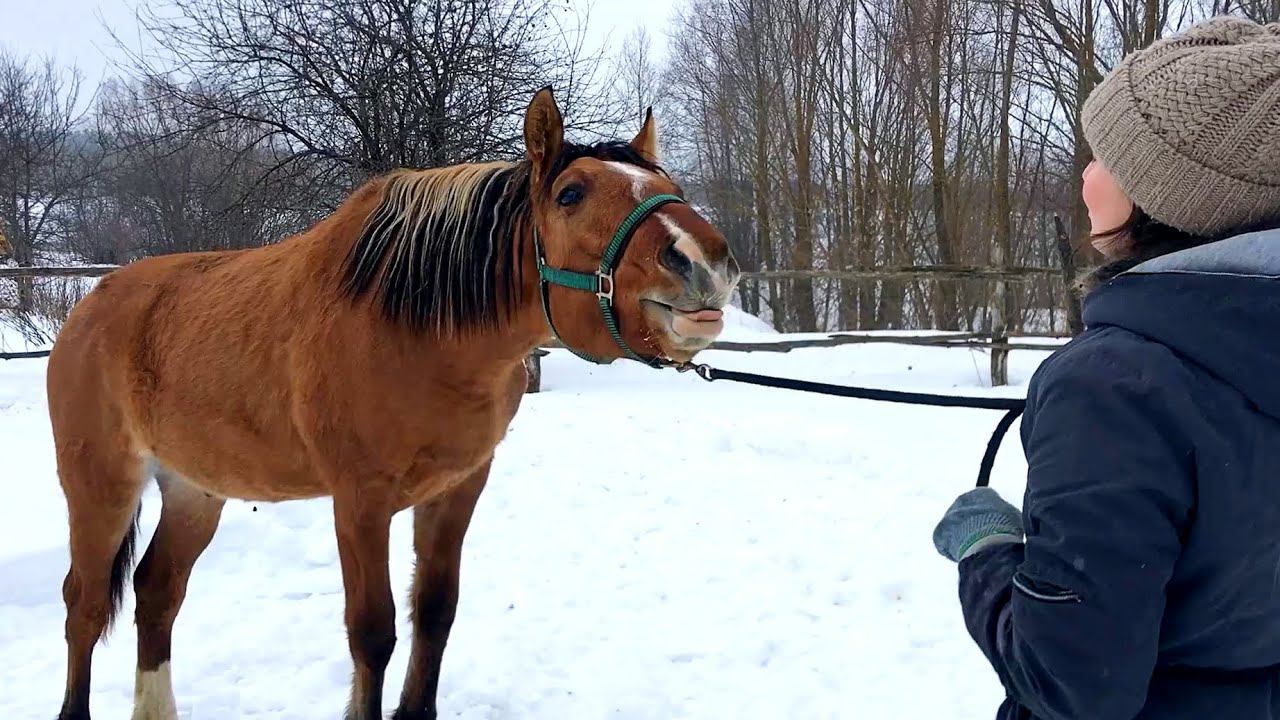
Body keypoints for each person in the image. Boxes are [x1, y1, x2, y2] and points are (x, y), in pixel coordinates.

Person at [931, 16, 1280, 720]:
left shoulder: (1112, 387)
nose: (1087, 175)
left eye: (1105, 157)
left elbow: (1071, 683)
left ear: (1169, 194)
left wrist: (985, 551)